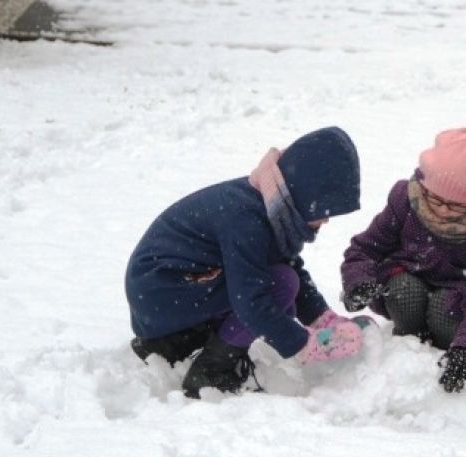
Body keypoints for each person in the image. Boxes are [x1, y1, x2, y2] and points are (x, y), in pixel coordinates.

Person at [125, 126, 367, 398]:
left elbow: (287, 262)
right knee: (279, 287)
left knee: (277, 286)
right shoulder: (246, 221)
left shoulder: (269, 202)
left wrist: (323, 320)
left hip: (172, 291)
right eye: (325, 211)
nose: (326, 220)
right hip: (164, 292)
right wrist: (305, 346)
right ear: (303, 197)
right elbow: (251, 301)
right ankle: (211, 371)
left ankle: (180, 343)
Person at [341, 115, 466, 392]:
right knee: (404, 290)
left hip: (455, 294)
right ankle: (408, 340)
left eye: (456, 206)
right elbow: (364, 249)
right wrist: (357, 282)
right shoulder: (406, 200)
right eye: (436, 199)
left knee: (445, 311)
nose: (443, 210)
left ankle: (448, 350)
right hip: (405, 283)